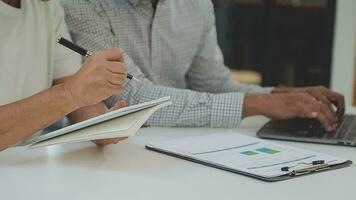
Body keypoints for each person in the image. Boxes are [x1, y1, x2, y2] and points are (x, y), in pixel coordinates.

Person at [62, 0, 345, 131]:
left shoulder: (195, 5)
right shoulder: (81, 4)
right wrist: (258, 105)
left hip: (183, 145)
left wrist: (282, 97)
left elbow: (213, 83)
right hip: (110, 158)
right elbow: (133, 99)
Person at [0, 0, 128, 151]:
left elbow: (76, 94)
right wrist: (70, 93)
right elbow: (71, 92)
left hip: (26, 161)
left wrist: (104, 125)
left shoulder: (47, 5)